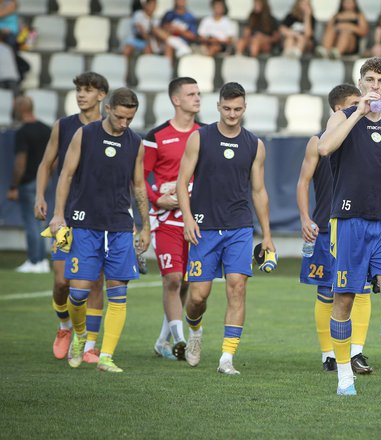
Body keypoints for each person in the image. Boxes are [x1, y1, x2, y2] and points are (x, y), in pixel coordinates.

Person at [317, 57, 381, 398]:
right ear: (360, 82)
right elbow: (324, 147)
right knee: (344, 298)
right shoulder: (343, 116)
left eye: (380, 81)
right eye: (370, 79)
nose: (375, 86)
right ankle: (344, 375)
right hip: (349, 221)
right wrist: (358, 112)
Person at [48, 87, 150, 373]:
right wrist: (59, 215)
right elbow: (66, 175)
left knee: (118, 292)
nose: (124, 124)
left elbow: (139, 185)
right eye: (120, 117)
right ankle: (80, 336)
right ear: (107, 108)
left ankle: (106, 356)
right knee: (78, 293)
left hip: (119, 226)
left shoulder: (135, 142)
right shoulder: (86, 134)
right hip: (84, 224)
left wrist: (146, 226)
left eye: (130, 119)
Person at [177, 82, 275, 375]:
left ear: (244, 108)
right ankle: (195, 331)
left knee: (237, 287)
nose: (232, 114)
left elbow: (258, 191)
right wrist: (187, 218)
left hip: (239, 228)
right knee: (197, 297)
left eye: (238, 109)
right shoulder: (199, 138)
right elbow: (182, 182)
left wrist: (267, 234)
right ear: (218, 106)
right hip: (203, 229)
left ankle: (226, 358)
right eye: (227, 108)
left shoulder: (255, 145)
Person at [297, 84, 374, 374]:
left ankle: (356, 352)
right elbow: (303, 182)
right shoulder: (318, 142)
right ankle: (328, 353)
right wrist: (305, 218)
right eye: (355, 103)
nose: (362, 107)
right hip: (326, 227)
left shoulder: (367, 140)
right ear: (339, 110)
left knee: (362, 290)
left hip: (357, 225)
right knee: (326, 291)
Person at [34, 72, 109, 364]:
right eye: (78, 89)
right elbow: (46, 163)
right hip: (66, 216)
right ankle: (65, 326)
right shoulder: (63, 126)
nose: (81, 95)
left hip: (101, 216)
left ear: (102, 95)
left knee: (95, 281)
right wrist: (41, 196)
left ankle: (90, 344)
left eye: (87, 90)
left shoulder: (111, 128)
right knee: (63, 280)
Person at [144, 77, 201, 360]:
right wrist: (157, 199)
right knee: (173, 279)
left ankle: (162, 341)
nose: (197, 98)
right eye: (191, 94)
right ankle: (181, 342)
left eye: (199, 93)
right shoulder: (156, 136)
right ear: (175, 100)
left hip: (194, 220)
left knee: (189, 281)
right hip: (164, 219)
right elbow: (140, 179)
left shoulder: (205, 134)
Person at [7, 96, 50, 273]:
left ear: (20, 109)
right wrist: (47, 177)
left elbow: (20, 162)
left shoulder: (23, 132)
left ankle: (34, 261)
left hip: (28, 182)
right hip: (43, 181)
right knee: (40, 222)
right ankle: (41, 261)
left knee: (32, 222)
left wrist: (13, 186)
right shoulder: (46, 129)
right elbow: (52, 160)